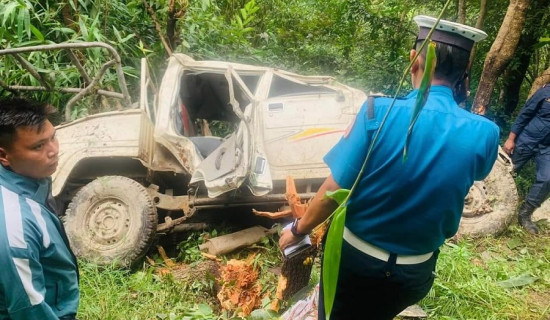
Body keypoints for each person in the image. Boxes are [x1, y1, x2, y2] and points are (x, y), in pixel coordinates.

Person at [279, 15, 499, 320]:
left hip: (354, 265)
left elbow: (333, 190)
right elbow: (473, 174)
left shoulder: (377, 112)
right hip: (414, 274)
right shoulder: (485, 132)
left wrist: (297, 229)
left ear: (414, 60)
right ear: (465, 73)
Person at [0, 98, 79, 319]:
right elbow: (29, 308)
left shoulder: (31, 181)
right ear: (4, 156)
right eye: (38, 146)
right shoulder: (16, 225)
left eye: (53, 137)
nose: (53, 150)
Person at [503, 83, 550, 234]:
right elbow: (525, 114)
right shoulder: (545, 92)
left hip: (547, 148)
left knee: (547, 178)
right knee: (505, 171)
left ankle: (524, 214)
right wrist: (511, 139)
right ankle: (489, 202)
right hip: (526, 139)